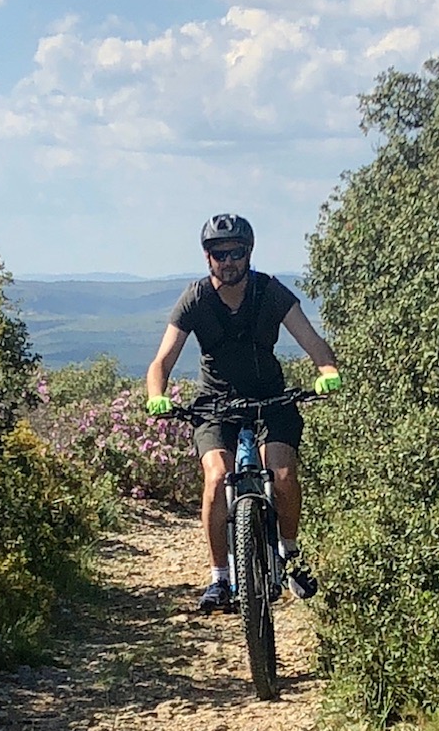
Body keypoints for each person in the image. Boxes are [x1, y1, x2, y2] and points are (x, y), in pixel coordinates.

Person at [145, 214, 341, 614]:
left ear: (249, 253)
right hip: (215, 405)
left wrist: (328, 371)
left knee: (283, 476)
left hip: (271, 400)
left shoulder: (269, 292)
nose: (228, 261)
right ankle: (219, 576)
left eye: (237, 252)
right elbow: (161, 362)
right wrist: (156, 395)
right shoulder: (196, 299)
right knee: (217, 480)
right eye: (220, 253)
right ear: (208, 257)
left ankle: (289, 554)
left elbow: (314, 342)